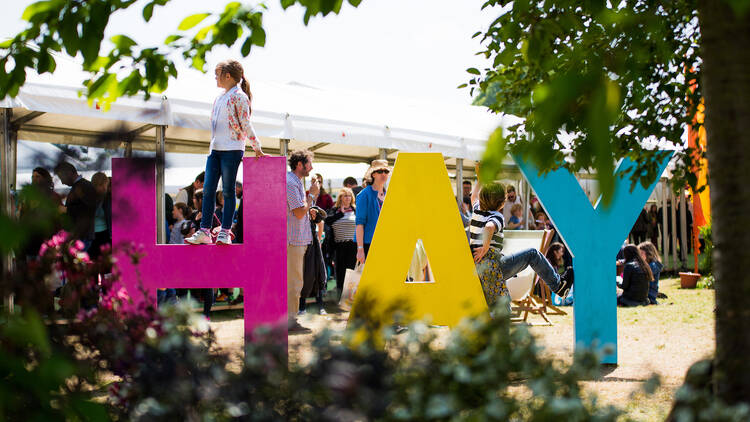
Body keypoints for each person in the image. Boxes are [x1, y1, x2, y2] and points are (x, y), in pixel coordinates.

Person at [185, 59, 266, 246]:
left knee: (228, 191)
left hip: (232, 149)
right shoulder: (220, 97)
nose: (215, 77)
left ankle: (225, 231)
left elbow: (246, 123)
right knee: (207, 190)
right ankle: (204, 230)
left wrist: (256, 146)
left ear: (227, 75)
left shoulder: (239, 96)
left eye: (217, 73)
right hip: (215, 149)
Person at [469, 178, 571, 312]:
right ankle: (558, 286)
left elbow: (473, 196)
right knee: (532, 254)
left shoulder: (477, 212)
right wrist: (485, 248)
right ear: (501, 204)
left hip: (480, 268)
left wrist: (481, 177)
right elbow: (489, 227)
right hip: (495, 265)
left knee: (498, 304)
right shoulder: (496, 216)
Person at [287, 150, 319, 331]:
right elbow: (299, 212)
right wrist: (312, 195)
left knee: (296, 281)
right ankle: (290, 321)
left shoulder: (294, 181)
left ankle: (291, 319)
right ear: (300, 165)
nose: (311, 167)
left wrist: (309, 208)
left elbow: (299, 211)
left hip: (297, 239)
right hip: (293, 240)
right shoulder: (291, 182)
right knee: (294, 281)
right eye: (309, 163)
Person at [54, 161, 97, 251]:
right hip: (80, 235)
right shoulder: (80, 186)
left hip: (82, 236)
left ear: (69, 173)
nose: (62, 182)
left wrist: (67, 210)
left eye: (62, 177)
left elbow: (89, 210)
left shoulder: (85, 186)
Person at [355, 160, 390, 264]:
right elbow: (359, 224)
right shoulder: (364, 195)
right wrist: (360, 249)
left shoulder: (389, 194)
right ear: (373, 174)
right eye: (380, 171)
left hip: (386, 243)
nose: (383, 174)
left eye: (386, 171)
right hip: (368, 244)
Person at [325, 187, 357, 298]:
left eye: (349, 195)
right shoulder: (335, 210)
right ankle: (340, 297)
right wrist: (340, 214)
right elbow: (327, 221)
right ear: (340, 198)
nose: (347, 197)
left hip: (353, 245)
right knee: (340, 272)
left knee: (352, 272)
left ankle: (350, 298)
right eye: (345, 195)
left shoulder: (356, 210)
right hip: (339, 246)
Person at [88, 172, 112, 260]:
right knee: (95, 260)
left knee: (105, 261)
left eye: (104, 185)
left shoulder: (108, 197)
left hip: (105, 233)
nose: (103, 188)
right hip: (92, 234)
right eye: (100, 185)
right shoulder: (89, 197)